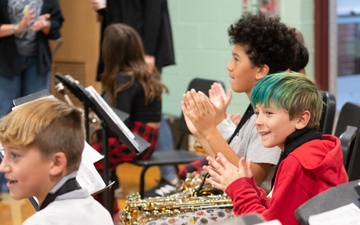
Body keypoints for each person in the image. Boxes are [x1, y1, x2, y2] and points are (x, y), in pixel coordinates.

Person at [203, 72, 349, 225]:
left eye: (269, 113)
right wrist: (248, 186)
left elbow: (267, 223)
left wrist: (238, 189)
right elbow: (279, 208)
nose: (258, 121)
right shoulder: (316, 148)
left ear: (301, 119)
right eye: (257, 112)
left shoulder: (298, 163)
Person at [90, 0, 178, 196]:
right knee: (98, 147)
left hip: (137, 140)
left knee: (91, 155)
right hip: (142, 137)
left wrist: (99, 132)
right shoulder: (136, 77)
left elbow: (121, 124)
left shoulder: (125, 80)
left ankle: (105, 209)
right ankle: (109, 188)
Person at [0, 97, 114, 225]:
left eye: (15, 155)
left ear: (57, 163)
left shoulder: (41, 223)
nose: (3, 167)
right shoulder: (101, 212)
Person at [0, 0, 64, 197]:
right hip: (5, 62)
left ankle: (34, 182)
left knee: (37, 122)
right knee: (4, 120)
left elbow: (56, 24)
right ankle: (5, 182)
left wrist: (45, 26)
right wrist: (17, 28)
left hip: (37, 62)